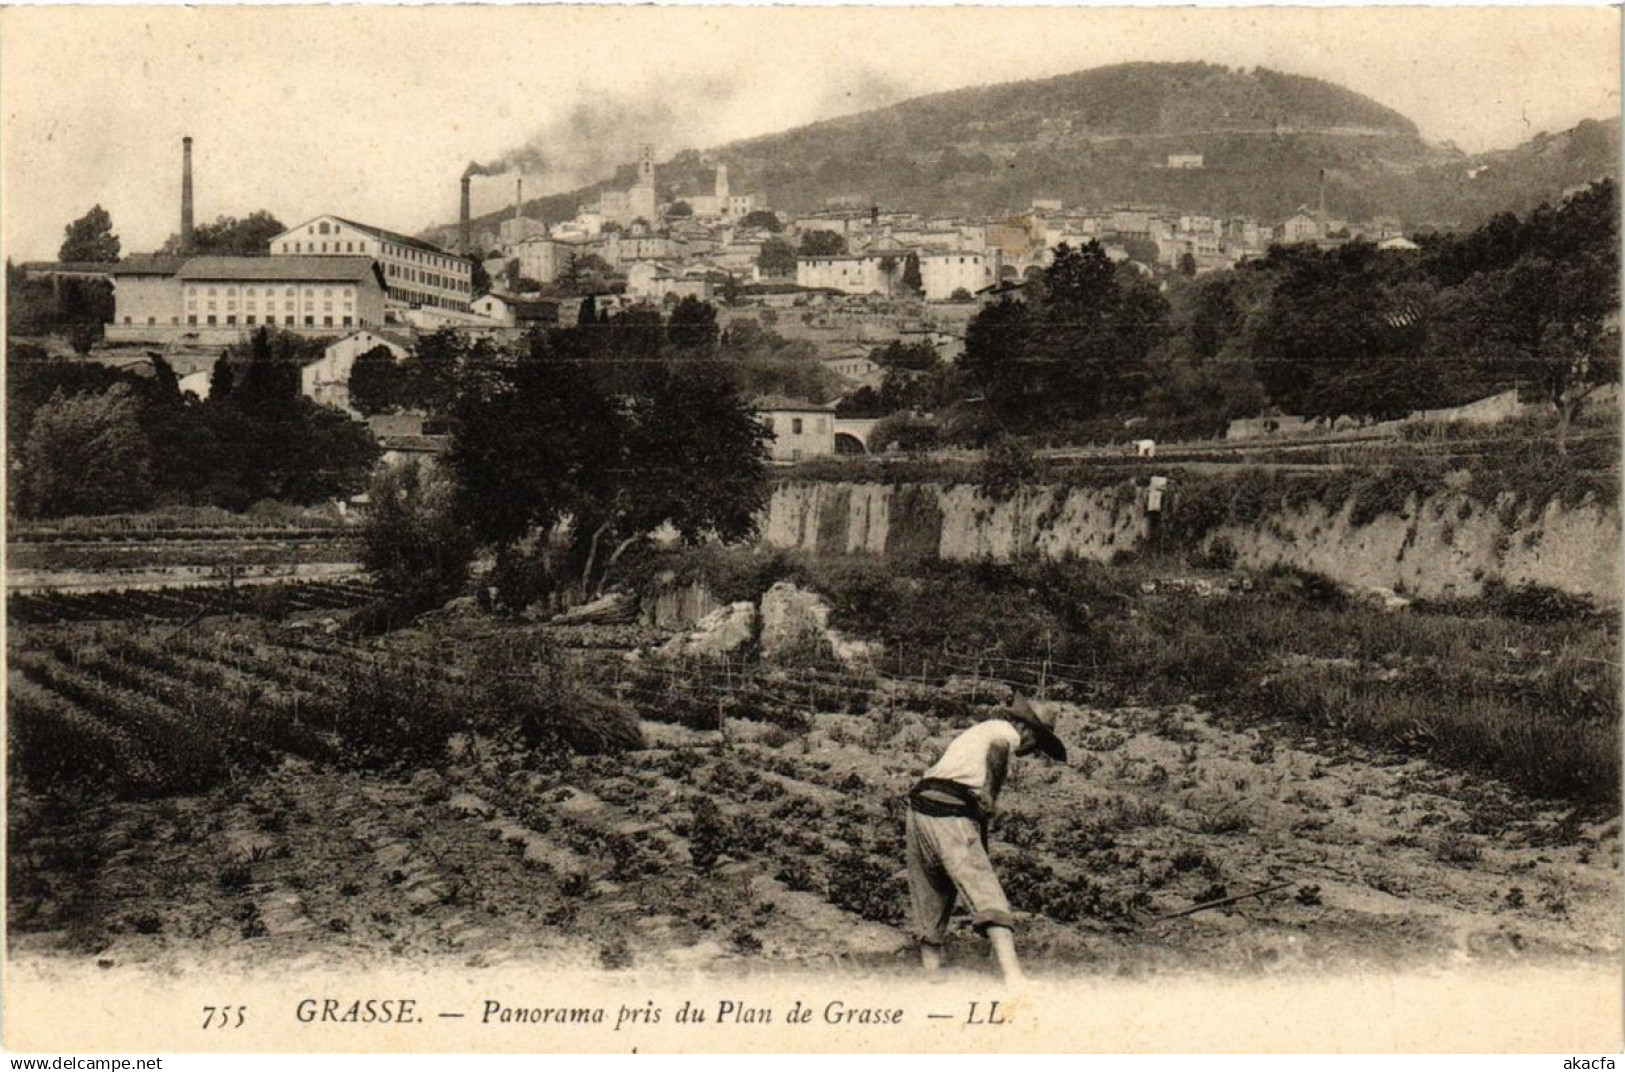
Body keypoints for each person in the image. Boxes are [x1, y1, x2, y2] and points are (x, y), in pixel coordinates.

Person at [904, 693, 1067, 984]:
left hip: (919, 809)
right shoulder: (1005, 733)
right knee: (985, 889)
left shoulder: (979, 730)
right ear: (1025, 728)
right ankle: (1014, 979)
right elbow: (999, 748)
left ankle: (932, 974)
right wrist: (991, 796)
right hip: (948, 814)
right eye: (1037, 742)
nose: (1032, 750)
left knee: (932, 889)